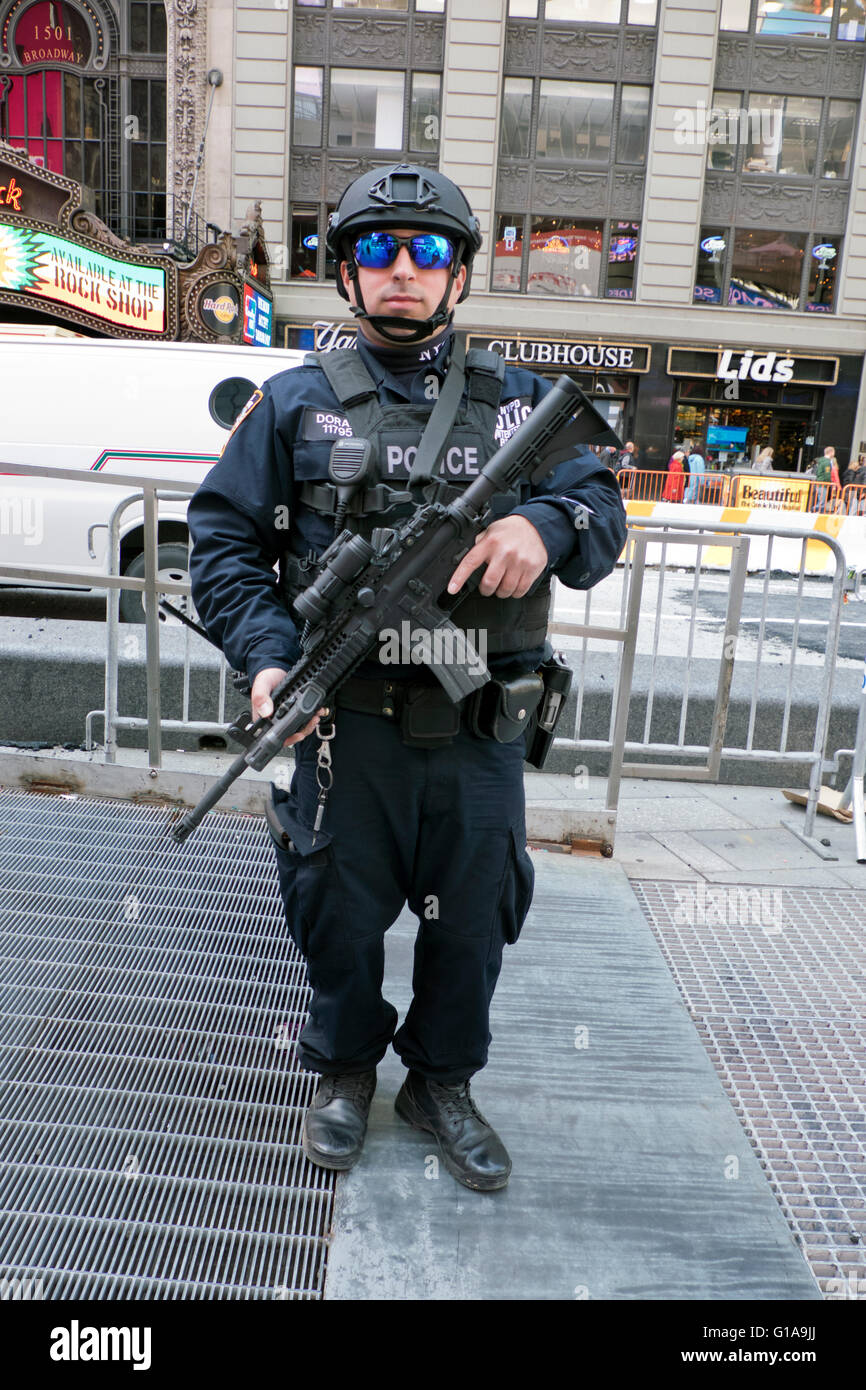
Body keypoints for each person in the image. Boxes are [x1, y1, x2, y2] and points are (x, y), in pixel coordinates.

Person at [186, 163, 627, 1192]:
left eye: (425, 251)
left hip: (477, 728)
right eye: (376, 250)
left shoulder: (521, 404)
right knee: (336, 909)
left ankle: (439, 1082)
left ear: (457, 278)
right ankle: (343, 1071)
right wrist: (265, 657)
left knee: (471, 920)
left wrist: (544, 520)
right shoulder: (292, 403)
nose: (400, 270)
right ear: (344, 276)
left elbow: (602, 513)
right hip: (346, 729)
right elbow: (222, 544)